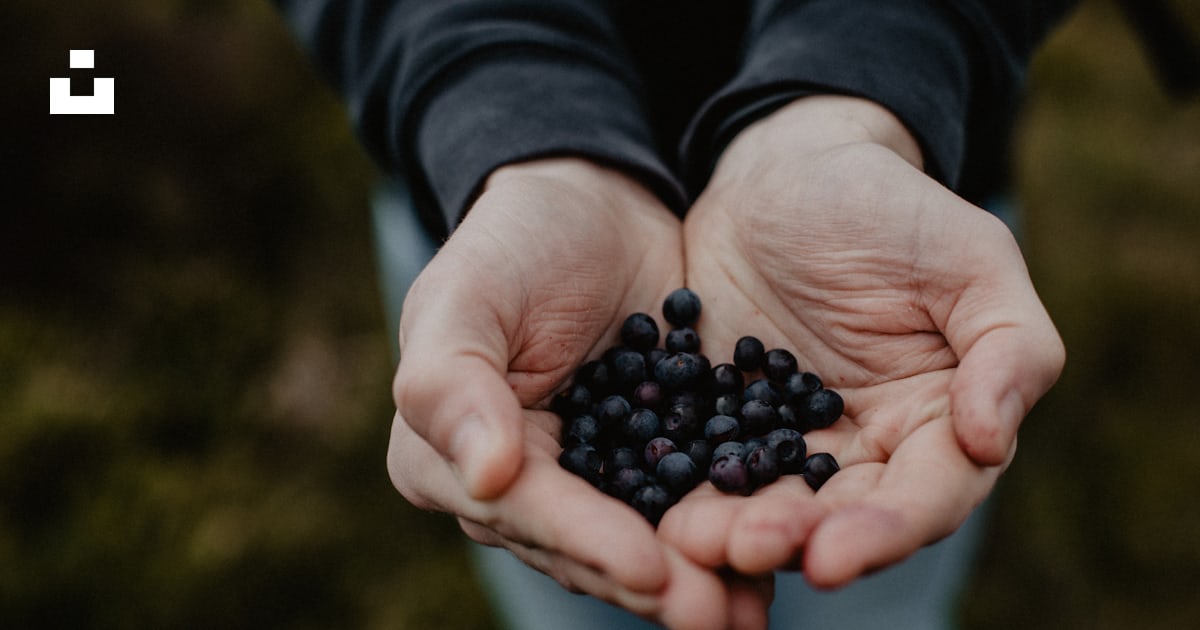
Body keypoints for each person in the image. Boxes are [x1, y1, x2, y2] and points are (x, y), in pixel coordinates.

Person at [275, 1, 1072, 627]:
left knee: (868, 604)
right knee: (580, 582)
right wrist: (512, 122)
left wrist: (860, 90)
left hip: (900, 193)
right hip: (489, 208)